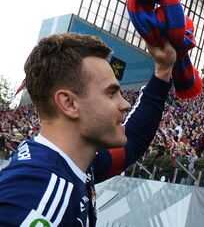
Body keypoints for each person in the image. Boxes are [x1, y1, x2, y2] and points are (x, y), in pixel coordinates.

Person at [0, 33, 176, 227]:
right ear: (69, 103)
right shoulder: (35, 191)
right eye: (111, 93)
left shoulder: (76, 164)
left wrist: (163, 71)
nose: (125, 103)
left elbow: (133, 140)